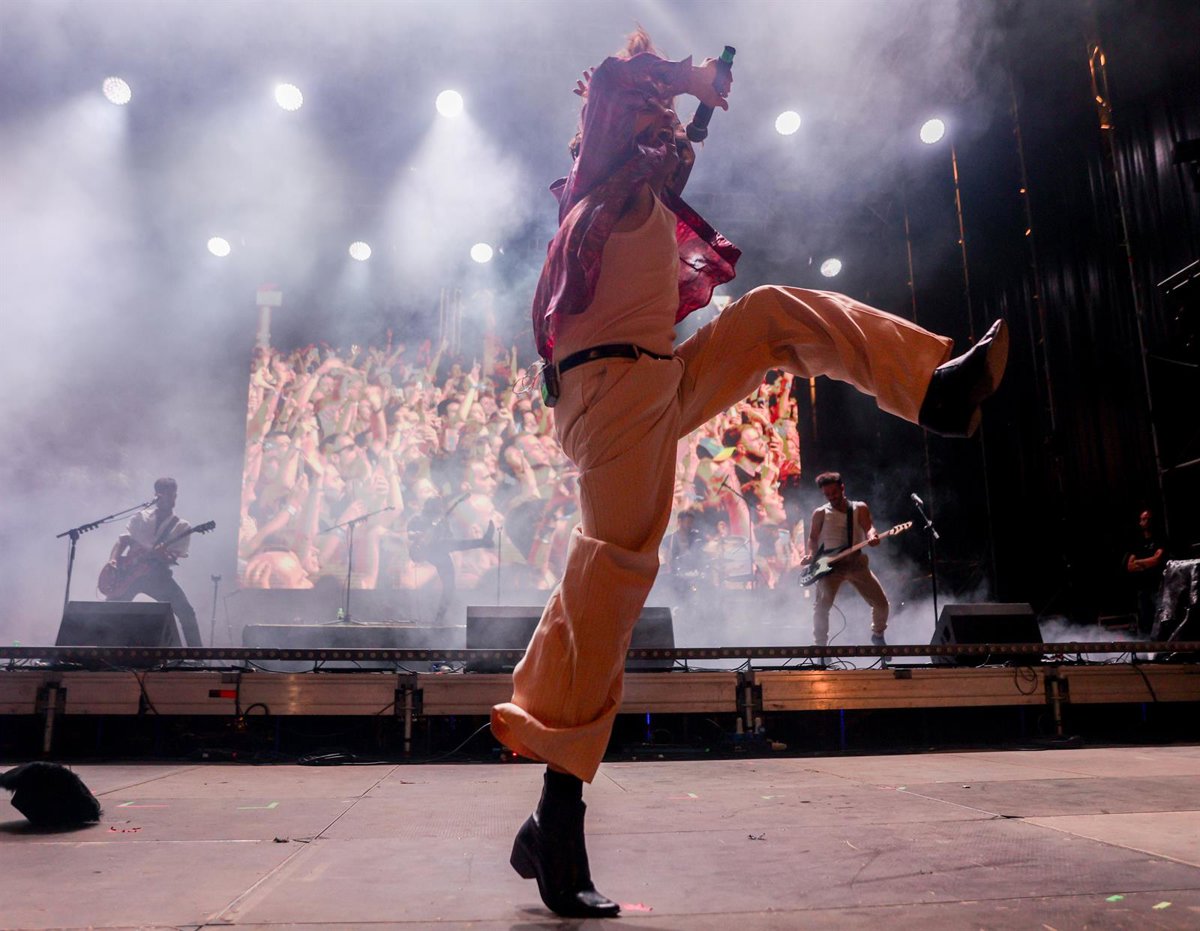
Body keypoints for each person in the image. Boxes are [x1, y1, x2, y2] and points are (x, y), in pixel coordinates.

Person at [490, 28, 1008, 918]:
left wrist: (686, 120)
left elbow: (667, 150)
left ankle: (936, 388)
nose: (667, 136)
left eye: (670, 128)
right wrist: (687, 78)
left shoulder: (652, 193)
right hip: (610, 393)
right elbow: (614, 84)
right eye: (653, 122)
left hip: (654, 379)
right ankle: (555, 822)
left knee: (768, 316)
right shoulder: (598, 179)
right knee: (611, 577)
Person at [104, 477, 203, 647]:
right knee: (109, 610)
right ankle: (102, 649)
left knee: (186, 612)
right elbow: (123, 541)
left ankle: (198, 655)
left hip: (158, 578)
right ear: (157, 495)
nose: (171, 499)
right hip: (129, 574)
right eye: (166, 495)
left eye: (173, 495)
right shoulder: (140, 517)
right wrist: (113, 559)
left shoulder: (182, 526)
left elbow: (173, 558)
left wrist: (162, 554)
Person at [804, 472, 889, 648]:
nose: (831, 497)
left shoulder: (859, 508)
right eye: (827, 494)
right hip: (830, 567)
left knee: (881, 603)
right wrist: (811, 555)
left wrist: (872, 536)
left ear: (842, 488)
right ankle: (820, 648)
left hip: (856, 564)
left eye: (834, 492)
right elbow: (813, 538)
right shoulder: (820, 513)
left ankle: (878, 634)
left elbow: (869, 528)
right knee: (821, 609)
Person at [1124, 507, 1167, 636]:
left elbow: (1157, 560)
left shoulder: (1160, 539)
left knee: (1160, 619)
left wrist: (1139, 562)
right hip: (1143, 588)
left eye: (1146, 519)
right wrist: (1147, 563)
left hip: (1157, 587)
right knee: (1145, 620)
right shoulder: (1138, 542)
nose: (1143, 522)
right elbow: (1130, 566)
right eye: (1141, 519)